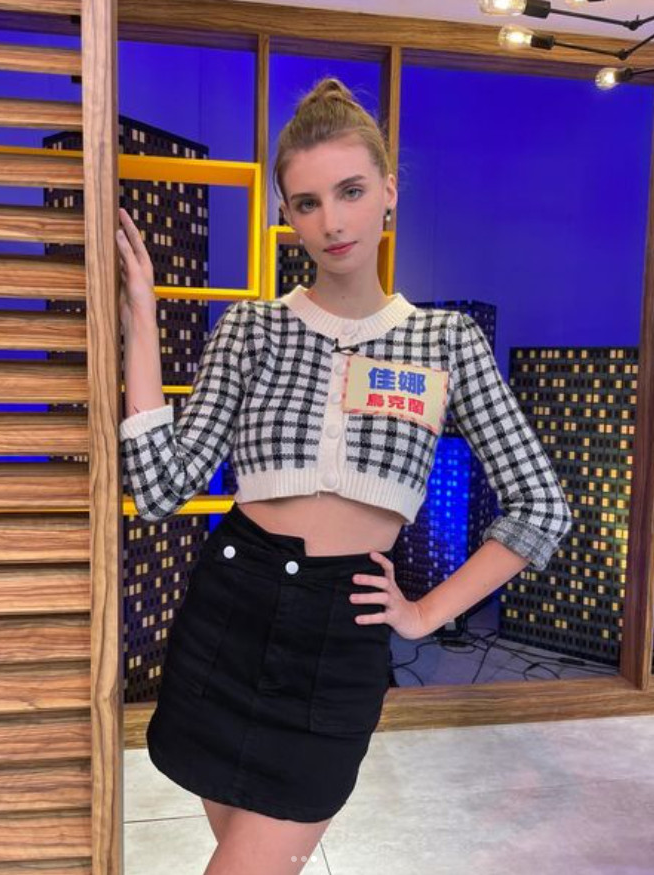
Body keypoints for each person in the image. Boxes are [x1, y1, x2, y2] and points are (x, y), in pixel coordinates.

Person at [117, 77, 572, 875]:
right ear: (287, 214)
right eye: (307, 202)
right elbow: (160, 488)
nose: (331, 222)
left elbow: (541, 506)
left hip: (339, 634)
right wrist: (143, 320)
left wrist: (425, 613)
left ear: (389, 191)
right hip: (228, 610)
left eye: (351, 191)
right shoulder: (252, 328)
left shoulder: (445, 341)